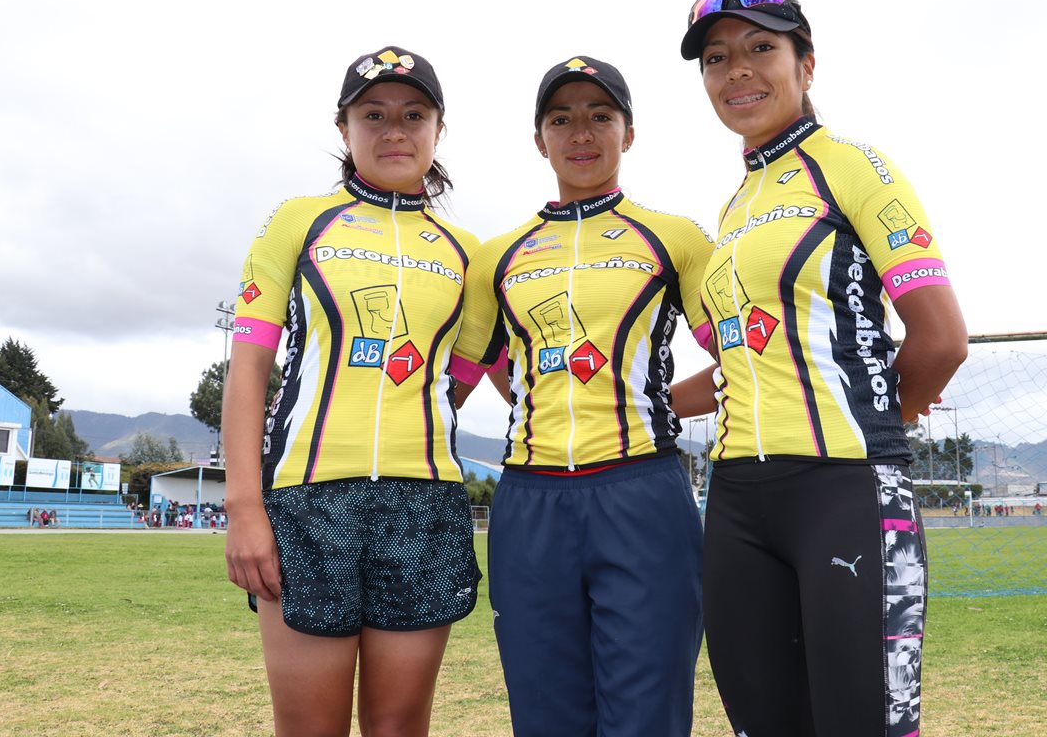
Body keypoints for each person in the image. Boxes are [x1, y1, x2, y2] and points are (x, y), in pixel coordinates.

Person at [679, 0, 968, 737]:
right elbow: (754, 361)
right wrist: (649, 404)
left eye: (761, 48)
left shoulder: (855, 167)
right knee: (763, 723)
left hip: (844, 489)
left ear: (807, 64)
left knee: (860, 725)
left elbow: (940, 340)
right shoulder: (735, 208)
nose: (737, 70)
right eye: (716, 58)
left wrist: (873, 419)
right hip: (736, 501)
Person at [222, 46, 481, 737]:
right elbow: (247, 368)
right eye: (374, 115)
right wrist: (245, 506)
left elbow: (479, 365)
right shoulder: (297, 221)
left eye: (413, 115)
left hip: (424, 506)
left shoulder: (467, 251)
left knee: (399, 729)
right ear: (344, 128)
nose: (394, 130)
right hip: (307, 503)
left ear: (438, 128)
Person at [451, 56, 713, 737]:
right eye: (561, 119)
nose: (582, 133)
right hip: (529, 504)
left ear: (630, 133)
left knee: (646, 715)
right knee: (545, 717)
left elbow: (744, 364)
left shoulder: (676, 238)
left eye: (601, 116)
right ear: (539, 139)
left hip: (642, 496)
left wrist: (651, 406)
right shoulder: (499, 254)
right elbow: (462, 377)